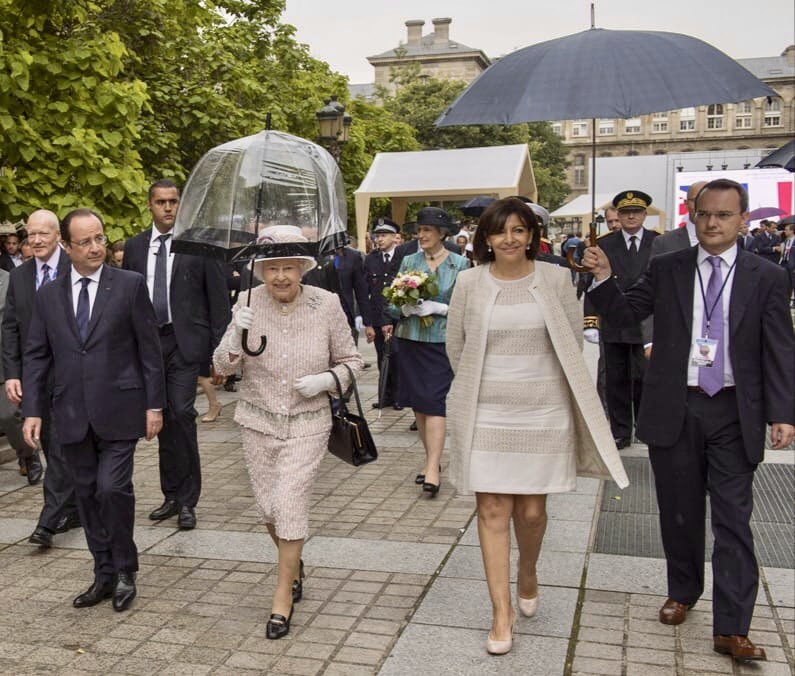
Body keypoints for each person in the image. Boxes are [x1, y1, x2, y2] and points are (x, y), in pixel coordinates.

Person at [583, 178, 794, 663]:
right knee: (679, 512)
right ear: (693, 217)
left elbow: (780, 348)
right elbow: (626, 315)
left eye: (724, 215)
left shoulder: (766, 276)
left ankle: (732, 628)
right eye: (705, 214)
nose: (713, 223)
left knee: (734, 519)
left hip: (735, 411)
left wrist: (783, 413)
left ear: (743, 220)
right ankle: (683, 590)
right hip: (675, 407)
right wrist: (604, 277)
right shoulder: (669, 267)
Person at [447, 197, 628, 656]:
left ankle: (527, 570)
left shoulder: (555, 278)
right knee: (491, 510)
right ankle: (501, 611)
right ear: (486, 238)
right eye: (499, 231)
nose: (509, 239)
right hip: (487, 411)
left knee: (530, 513)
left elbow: (571, 342)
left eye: (518, 230)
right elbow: (456, 346)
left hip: (544, 411)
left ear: (532, 235)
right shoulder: (469, 282)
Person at [213, 225, 363, 640]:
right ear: (261, 270)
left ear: (302, 268)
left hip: (308, 422)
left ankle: (282, 596)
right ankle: (293, 563)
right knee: (269, 510)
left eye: (288, 268)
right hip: (257, 421)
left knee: (289, 503)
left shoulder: (326, 304)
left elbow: (353, 362)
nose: (280, 276)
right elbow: (222, 367)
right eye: (272, 268)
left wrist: (327, 380)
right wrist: (235, 332)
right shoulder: (246, 302)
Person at [22, 208, 165, 612]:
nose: (95, 247)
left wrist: (155, 405)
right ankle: (103, 574)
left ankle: (125, 571)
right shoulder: (49, 295)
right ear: (66, 247)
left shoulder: (129, 285)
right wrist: (33, 410)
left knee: (111, 488)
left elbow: (150, 350)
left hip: (121, 408)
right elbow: (37, 355)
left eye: (99, 238)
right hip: (70, 413)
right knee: (85, 496)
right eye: (84, 241)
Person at [124, 179, 230, 530]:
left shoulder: (199, 244)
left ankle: (187, 500)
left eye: (173, 201)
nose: (168, 207)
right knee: (161, 417)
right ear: (150, 205)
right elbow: (126, 299)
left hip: (185, 343)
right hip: (149, 345)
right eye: (161, 202)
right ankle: (170, 495)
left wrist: (219, 353)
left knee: (182, 414)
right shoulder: (135, 247)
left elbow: (218, 301)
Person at [2, 209, 80, 547]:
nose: (35, 240)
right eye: (30, 234)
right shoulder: (19, 276)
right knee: (49, 442)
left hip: (72, 374)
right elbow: (10, 328)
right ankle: (74, 509)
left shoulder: (75, 267)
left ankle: (48, 520)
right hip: (35, 376)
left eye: (42, 234)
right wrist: (12, 374)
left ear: (58, 236)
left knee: (61, 445)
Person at [388, 207, 470, 496]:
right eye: (419, 230)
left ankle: (434, 467)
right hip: (410, 339)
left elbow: (467, 306)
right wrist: (403, 308)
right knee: (419, 404)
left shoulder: (460, 264)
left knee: (435, 402)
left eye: (427, 230)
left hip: (441, 342)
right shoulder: (409, 260)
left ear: (442, 233)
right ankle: (429, 460)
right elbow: (392, 302)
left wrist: (441, 308)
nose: (421, 235)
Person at [582, 190, 658, 449]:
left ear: (645, 215)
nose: (631, 217)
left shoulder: (658, 242)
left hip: (646, 322)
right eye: (625, 213)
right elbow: (592, 282)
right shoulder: (605, 244)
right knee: (616, 380)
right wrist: (591, 321)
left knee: (645, 378)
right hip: (614, 320)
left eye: (636, 212)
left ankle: (645, 428)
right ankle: (620, 431)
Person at [0, 266, 41, 483]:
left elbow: (12, 323)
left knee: (8, 415)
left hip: (4, 361)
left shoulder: (9, 279)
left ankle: (28, 454)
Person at [364, 218, 403, 410]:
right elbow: (365, 290)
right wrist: (367, 322)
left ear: (395, 237)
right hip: (378, 315)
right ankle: (385, 396)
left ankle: (399, 397)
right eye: (377, 235)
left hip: (397, 317)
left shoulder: (403, 257)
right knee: (382, 357)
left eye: (384, 235)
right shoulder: (371, 259)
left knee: (397, 356)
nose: (379, 239)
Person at [303, 243, 373, 346]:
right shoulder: (312, 254)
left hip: (346, 317)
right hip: (318, 318)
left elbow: (361, 291)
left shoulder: (353, 256)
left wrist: (368, 323)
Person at [651, 181, 707, 257]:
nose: (701, 205)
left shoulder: (723, 240)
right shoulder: (664, 242)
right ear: (686, 204)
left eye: (706, 200)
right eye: (695, 200)